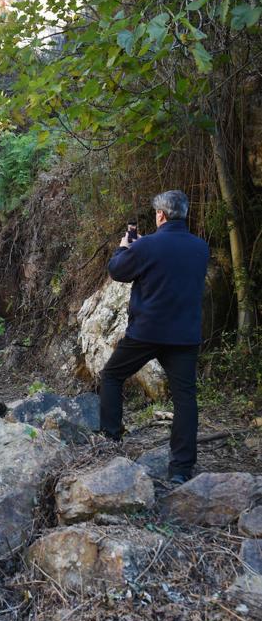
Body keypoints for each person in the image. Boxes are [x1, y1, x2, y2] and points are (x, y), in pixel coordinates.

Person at [98, 190, 210, 484]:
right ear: (184, 214)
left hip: (147, 333)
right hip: (185, 335)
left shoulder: (147, 245)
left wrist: (124, 248)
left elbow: (117, 271)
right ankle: (182, 469)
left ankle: (111, 441)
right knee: (185, 398)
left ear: (160, 215)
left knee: (111, 375)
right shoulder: (201, 248)